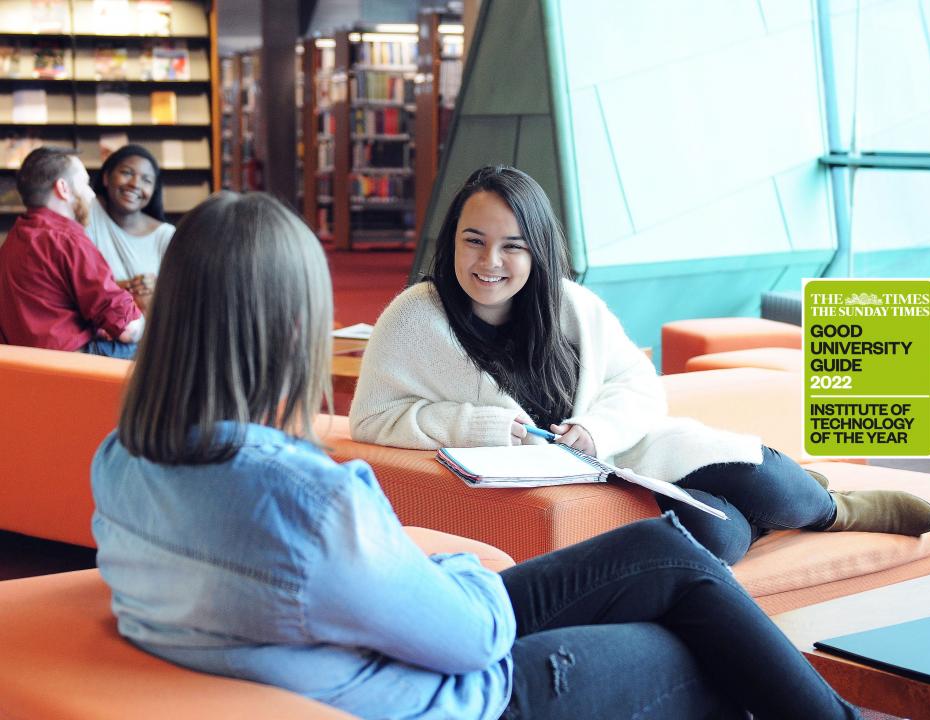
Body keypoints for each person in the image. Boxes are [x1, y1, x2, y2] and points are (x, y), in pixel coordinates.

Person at [91, 191, 861, 720]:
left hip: (363, 638)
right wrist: (458, 567)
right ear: (292, 334)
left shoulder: (123, 458)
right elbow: (473, 637)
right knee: (696, 647)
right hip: (459, 690)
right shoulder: (308, 501)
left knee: (667, 553)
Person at [349, 165, 930, 564]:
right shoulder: (417, 318)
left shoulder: (570, 305)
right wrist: (476, 426)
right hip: (573, 480)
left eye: (512, 246)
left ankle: (834, 510)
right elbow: (373, 418)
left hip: (624, 452)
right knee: (721, 535)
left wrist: (596, 429)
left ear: (539, 250)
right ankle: (788, 506)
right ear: (450, 239)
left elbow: (637, 386)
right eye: (473, 240)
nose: (489, 262)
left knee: (752, 471)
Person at [0, 146, 143, 359]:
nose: (91, 194)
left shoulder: (13, 240)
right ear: (63, 188)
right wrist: (147, 322)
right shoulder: (67, 239)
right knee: (157, 346)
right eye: (85, 184)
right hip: (71, 365)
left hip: (23, 370)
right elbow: (127, 329)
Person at [87, 144, 175, 312]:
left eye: (146, 180)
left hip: (147, 334)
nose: (135, 184)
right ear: (106, 177)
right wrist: (130, 286)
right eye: (127, 173)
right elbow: (77, 284)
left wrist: (156, 288)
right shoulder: (89, 211)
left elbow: (179, 295)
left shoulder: (165, 235)